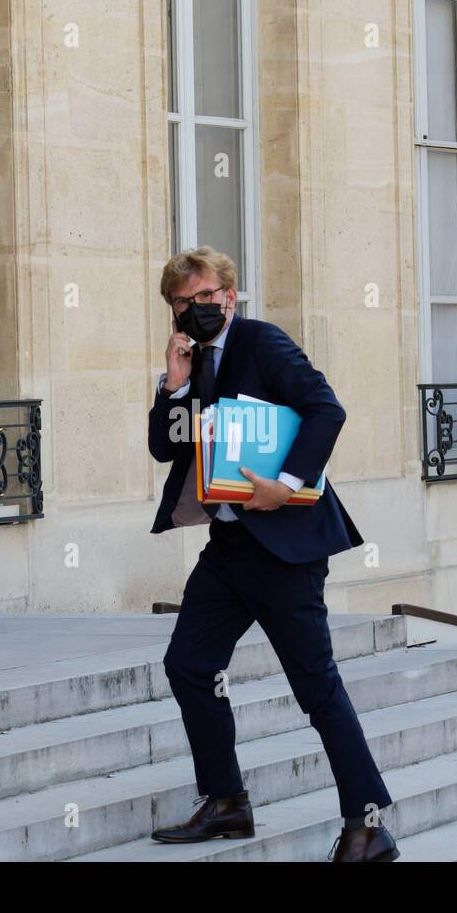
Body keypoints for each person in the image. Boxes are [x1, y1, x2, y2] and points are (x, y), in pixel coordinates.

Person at [146, 246, 399, 862]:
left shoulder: (263, 343)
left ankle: (368, 828)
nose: (195, 309)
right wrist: (173, 386)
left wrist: (285, 485)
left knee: (317, 688)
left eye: (205, 297)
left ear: (229, 298)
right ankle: (226, 801)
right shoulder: (193, 361)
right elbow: (162, 447)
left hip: (285, 549)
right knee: (189, 664)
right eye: (183, 303)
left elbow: (325, 409)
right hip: (229, 545)